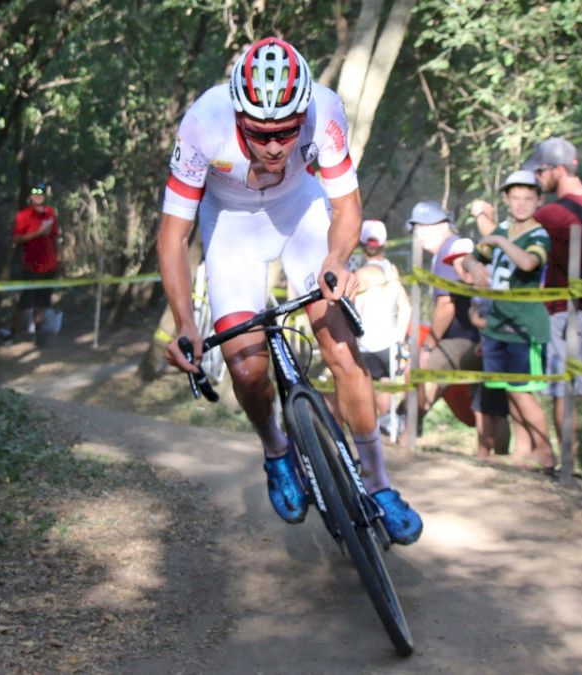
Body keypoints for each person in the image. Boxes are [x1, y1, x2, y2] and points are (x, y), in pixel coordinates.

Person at [156, 37, 421, 544]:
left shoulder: (324, 109)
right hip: (230, 223)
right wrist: (186, 322)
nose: (275, 146)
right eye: (259, 133)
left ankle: (380, 484)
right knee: (247, 366)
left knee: (342, 346)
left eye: (286, 132)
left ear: (303, 114)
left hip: (301, 211)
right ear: (238, 115)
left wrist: (336, 261)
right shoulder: (203, 123)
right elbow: (173, 234)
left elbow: (346, 208)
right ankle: (276, 451)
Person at [513, 137, 582, 486]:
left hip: (560, 309)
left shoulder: (549, 214)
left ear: (558, 169)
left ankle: (568, 464)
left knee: (563, 387)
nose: (538, 178)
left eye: (541, 171)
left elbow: (518, 243)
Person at [462, 170, 555, 473]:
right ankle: (523, 448)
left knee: (522, 391)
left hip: (524, 326)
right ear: (506, 199)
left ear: (539, 200)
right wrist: (475, 266)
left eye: (528, 198)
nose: (521, 204)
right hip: (497, 324)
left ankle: (546, 452)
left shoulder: (538, 235)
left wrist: (500, 240)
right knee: (508, 390)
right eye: (515, 198)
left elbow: (529, 262)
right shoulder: (502, 229)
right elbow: (472, 257)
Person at [410, 200, 482, 437]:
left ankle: (405, 432)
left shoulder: (448, 252)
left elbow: (446, 305)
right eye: (417, 229)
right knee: (485, 405)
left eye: (424, 227)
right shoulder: (449, 248)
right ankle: (492, 453)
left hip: (465, 340)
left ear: (443, 225)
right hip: (480, 339)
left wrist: (429, 345)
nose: (419, 235)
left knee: (420, 371)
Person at [351, 219, 411, 434]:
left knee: (364, 386)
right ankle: (387, 426)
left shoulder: (358, 276)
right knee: (385, 381)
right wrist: (401, 339)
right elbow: (406, 307)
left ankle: (374, 428)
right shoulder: (391, 271)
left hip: (366, 344)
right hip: (390, 342)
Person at [3, 182, 60, 346]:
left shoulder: (51, 213)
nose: (38, 196)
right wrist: (37, 233)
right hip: (31, 266)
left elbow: (55, 237)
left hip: (49, 265)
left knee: (42, 302)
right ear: (30, 196)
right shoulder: (23, 215)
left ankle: (39, 334)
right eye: (35, 193)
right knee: (25, 302)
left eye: (40, 193)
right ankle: (12, 333)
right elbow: (16, 239)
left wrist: (59, 259)